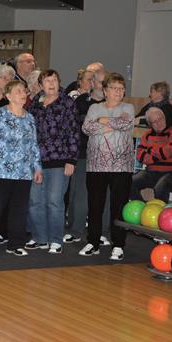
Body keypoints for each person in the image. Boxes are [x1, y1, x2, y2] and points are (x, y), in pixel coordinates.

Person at [0, 80, 42, 256]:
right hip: (0, 170)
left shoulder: (30, 118)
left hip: (23, 172)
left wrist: (37, 167)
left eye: (24, 91)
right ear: (8, 96)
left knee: (19, 209)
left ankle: (15, 244)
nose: (23, 94)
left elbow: (34, 145)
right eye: (18, 91)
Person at [79, 72, 135, 260]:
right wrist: (111, 125)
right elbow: (86, 128)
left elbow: (126, 123)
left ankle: (118, 244)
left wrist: (102, 122)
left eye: (121, 88)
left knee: (118, 207)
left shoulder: (129, 107)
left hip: (121, 166)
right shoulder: (95, 107)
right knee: (95, 206)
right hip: (96, 165)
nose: (118, 92)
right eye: (114, 88)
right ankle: (93, 242)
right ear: (105, 91)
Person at [27, 69, 79, 254]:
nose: (51, 84)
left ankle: (56, 240)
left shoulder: (67, 102)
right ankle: (40, 238)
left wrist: (71, 159)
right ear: (41, 85)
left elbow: (73, 131)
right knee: (35, 201)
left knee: (54, 201)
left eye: (54, 80)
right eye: (47, 81)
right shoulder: (36, 102)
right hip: (36, 160)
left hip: (60, 159)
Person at [65, 62, 110, 245]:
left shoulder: (111, 104)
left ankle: (103, 232)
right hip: (83, 153)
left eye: (105, 84)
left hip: (105, 155)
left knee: (103, 195)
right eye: (100, 83)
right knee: (79, 194)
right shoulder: (81, 101)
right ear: (92, 83)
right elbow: (77, 128)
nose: (103, 87)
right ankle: (75, 231)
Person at [131, 106, 172, 206]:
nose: (159, 123)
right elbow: (140, 156)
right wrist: (158, 153)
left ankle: (162, 214)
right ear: (150, 124)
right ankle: (142, 207)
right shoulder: (146, 135)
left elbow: (168, 152)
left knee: (160, 187)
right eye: (155, 121)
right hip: (150, 172)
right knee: (129, 182)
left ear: (164, 118)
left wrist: (150, 150)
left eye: (160, 119)